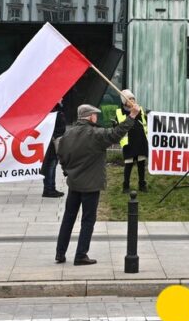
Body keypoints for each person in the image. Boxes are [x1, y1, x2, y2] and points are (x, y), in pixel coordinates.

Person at [53, 103, 129, 265]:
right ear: (90, 116)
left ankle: (60, 253)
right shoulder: (95, 134)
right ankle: (81, 255)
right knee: (88, 220)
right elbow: (116, 134)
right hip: (91, 185)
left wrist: (68, 171)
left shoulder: (69, 134)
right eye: (95, 114)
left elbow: (60, 153)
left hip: (74, 184)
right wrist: (132, 117)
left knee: (68, 218)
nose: (97, 117)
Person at [116, 90, 149, 191]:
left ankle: (142, 184)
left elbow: (145, 120)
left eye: (133, 98)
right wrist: (131, 112)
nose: (132, 100)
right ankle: (126, 185)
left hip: (140, 140)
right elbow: (120, 125)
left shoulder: (140, 110)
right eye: (129, 99)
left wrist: (146, 114)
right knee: (128, 164)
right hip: (129, 142)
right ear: (124, 102)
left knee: (141, 164)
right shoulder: (120, 112)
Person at [40, 100, 66, 198]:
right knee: (50, 165)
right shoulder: (53, 112)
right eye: (60, 97)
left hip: (50, 141)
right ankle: (49, 189)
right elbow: (58, 127)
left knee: (51, 165)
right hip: (51, 143)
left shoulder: (56, 110)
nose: (62, 98)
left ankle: (50, 188)